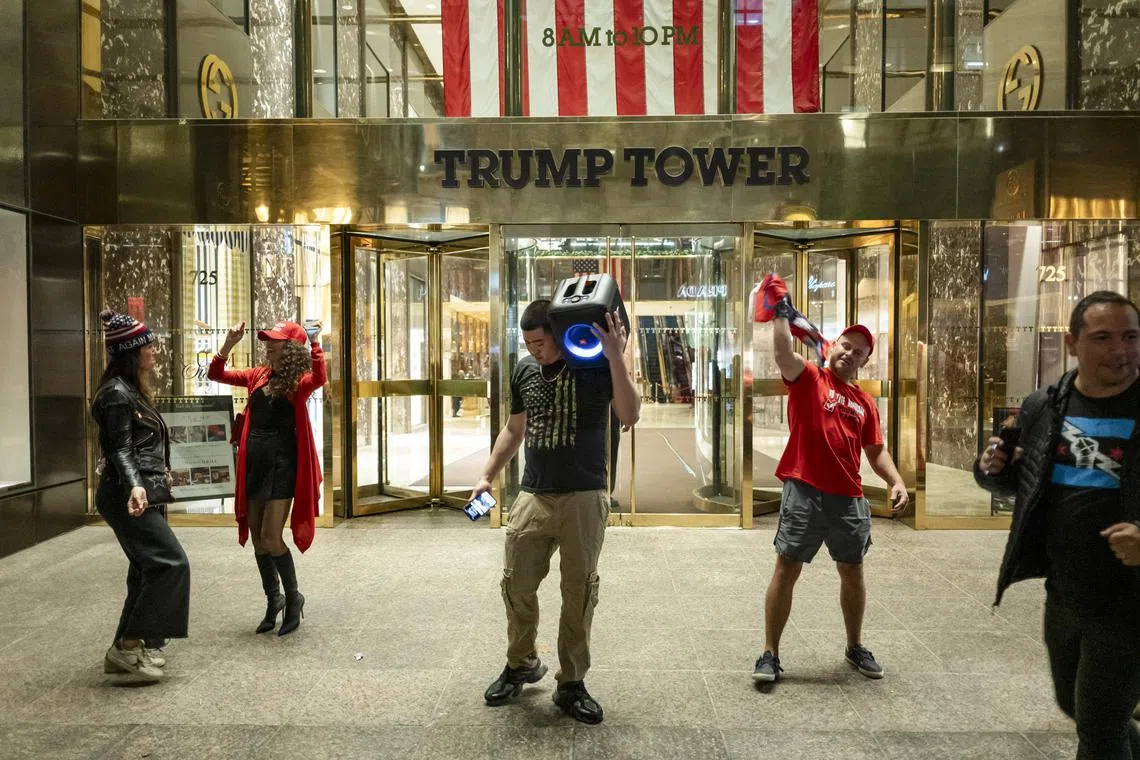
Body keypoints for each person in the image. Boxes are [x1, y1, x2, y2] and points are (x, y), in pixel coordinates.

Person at [976, 291, 1140, 759]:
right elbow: (1015, 484)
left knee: (1100, 729)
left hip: (1129, 598)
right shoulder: (1046, 405)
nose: (1120, 350)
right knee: (1074, 704)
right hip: (1066, 589)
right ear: (1072, 343)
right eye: (1103, 338)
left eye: (1130, 337)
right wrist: (996, 470)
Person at [472, 300, 640, 725]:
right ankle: (521, 663)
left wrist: (616, 356)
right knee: (516, 584)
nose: (535, 351)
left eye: (542, 342)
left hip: (585, 494)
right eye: (528, 344)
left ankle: (571, 683)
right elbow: (514, 429)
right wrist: (487, 476)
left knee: (579, 592)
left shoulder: (596, 364)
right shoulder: (525, 370)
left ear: (559, 334)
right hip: (534, 494)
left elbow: (630, 413)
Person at [751, 274, 909, 683]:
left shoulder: (864, 403)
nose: (850, 354)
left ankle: (855, 646)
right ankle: (770, 654)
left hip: (848, 496)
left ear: (863, 362)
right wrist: (781, 314)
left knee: (852, 571)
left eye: (858, 353)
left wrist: (895, 480)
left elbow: (875, 450)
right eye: (845, 346)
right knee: (786, 569)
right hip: (804, 490)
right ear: (833, 347)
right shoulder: (808, 379)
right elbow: (783, 351)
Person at [91, 309, 191, 683]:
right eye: (147, 344)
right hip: (127, 494)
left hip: (144, 491)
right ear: (131, 351)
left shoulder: (131, 391)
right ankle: (129, 646)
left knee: (145, 570)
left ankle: (130, 647)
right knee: (170, 563)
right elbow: (119, 449)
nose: (153, 349)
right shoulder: (117, 394)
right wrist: (135, 484)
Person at [209, 319, 326, 636]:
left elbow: (319, 377)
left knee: (273, 537)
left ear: (290, 347)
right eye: (268, 339)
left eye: (275, 340)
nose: (268, 344)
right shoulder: (257, 375)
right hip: (255, 463)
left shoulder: (298, 381)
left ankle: (293, 598)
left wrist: (316, 344)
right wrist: (229, 344)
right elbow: (216, 374)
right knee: (259, 540)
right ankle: (273, 599)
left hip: (282, 464)